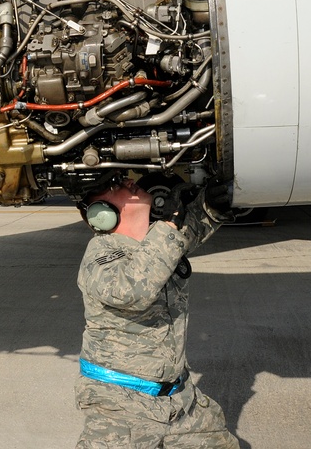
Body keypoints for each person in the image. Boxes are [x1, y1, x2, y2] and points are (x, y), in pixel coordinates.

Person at [75, 178, 238, 448]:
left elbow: (182, 237)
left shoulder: (154, 242)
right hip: (122, 407)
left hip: (178, 397)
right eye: (115, 187)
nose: (128, 182)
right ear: (101, 213)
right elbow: (132, 290)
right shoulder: (100, 254)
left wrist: (210, 206)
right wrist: (169, 224)